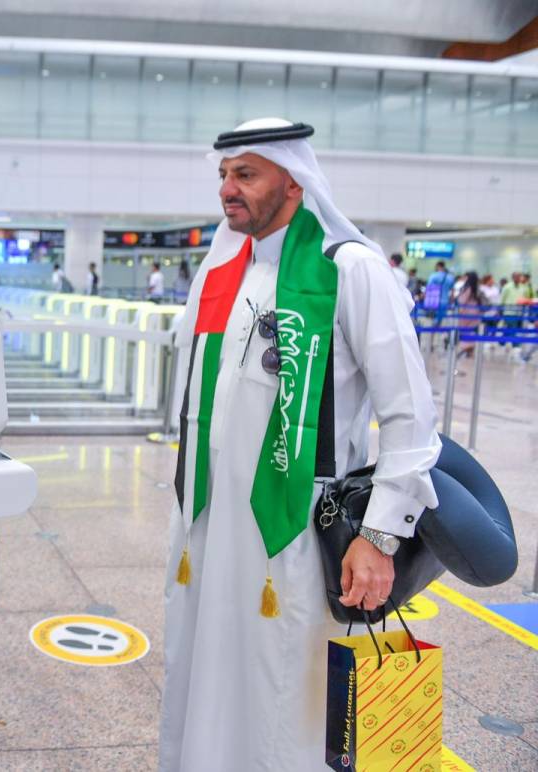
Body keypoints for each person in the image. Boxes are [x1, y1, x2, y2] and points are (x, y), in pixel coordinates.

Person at [160, 118, 440, 771]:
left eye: (246, 175)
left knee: (281, 700)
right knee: (201, 676)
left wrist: (380, 537)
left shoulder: (352, 271)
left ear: (293, 181)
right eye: (224, 175)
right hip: (205, 531)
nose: (228, 190)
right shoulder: (221, 272)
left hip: (290, 536)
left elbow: (410, 416)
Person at [455, 271, 487, 358]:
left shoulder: (467, 288)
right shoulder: (477, 288)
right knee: (472, 331)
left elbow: (462, 300)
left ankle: (465, 348)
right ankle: (470, 351)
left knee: (465, 331)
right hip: (476, 313)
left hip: (466, 312)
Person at [423, 261, 456, 326]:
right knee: (440, 320)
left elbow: (429, 288)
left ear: (438, 266)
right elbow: (452, 290)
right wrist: (452, 300)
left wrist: (424, 297)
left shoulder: (433, 276)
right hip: (444, 301)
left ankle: (432, 333)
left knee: (431, 320)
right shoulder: (450, 277)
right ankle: (437, 332)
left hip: (433, 301)